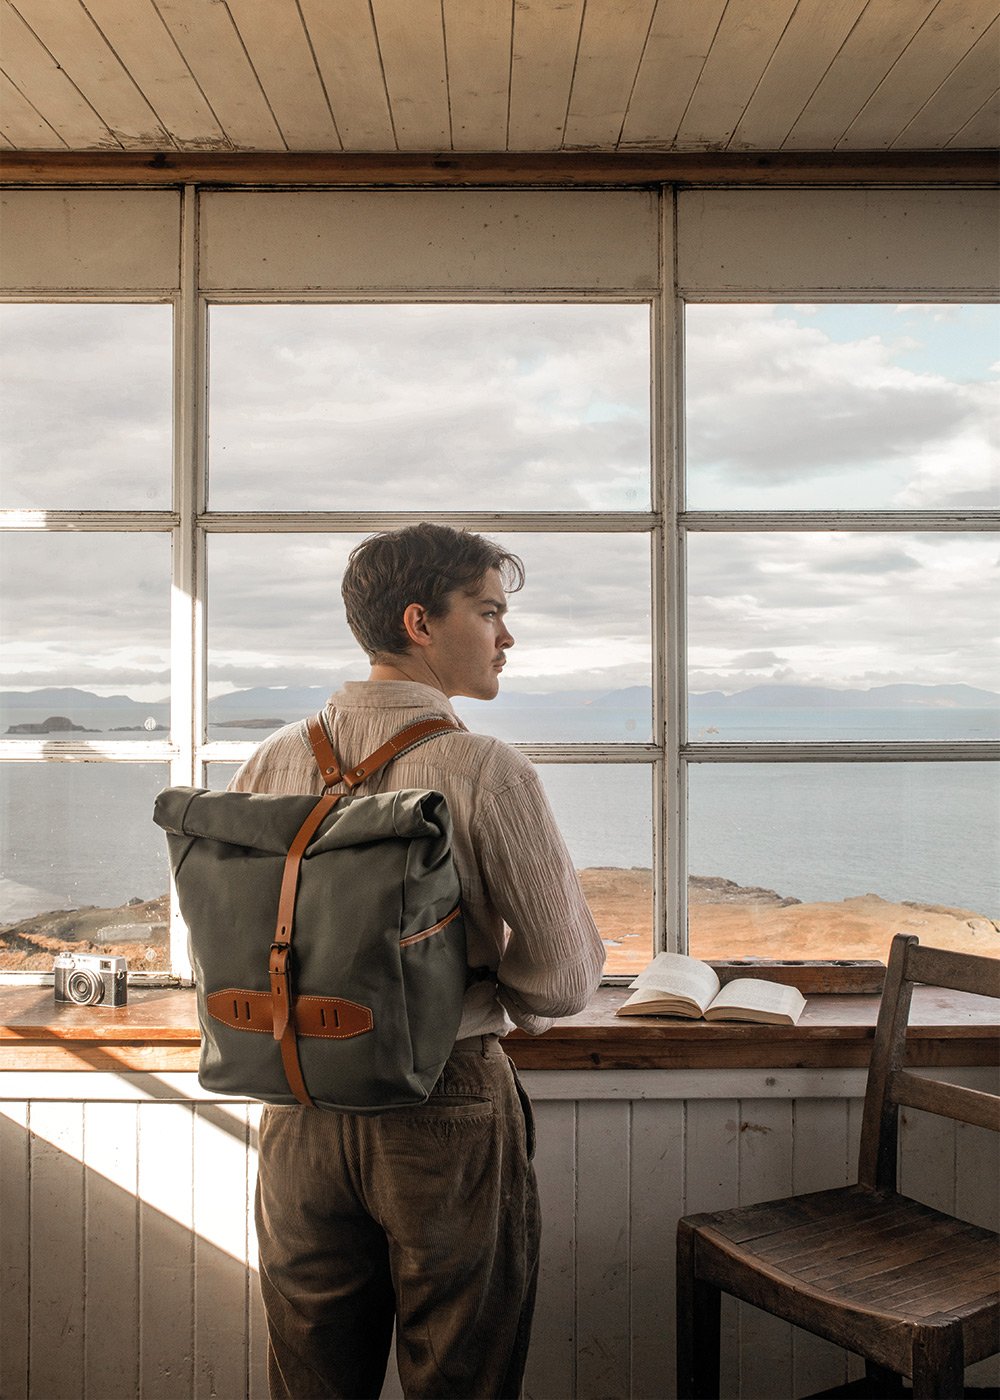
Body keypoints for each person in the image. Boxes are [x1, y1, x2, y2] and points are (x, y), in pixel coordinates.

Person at [230, 522, 606, 1400]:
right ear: (419, 622)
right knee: (461, 1377)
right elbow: (564, 976)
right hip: (446, 1100)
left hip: (298, 1103)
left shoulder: (275, 756)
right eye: (489, 611)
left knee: (313, 1378)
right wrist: (492, 994)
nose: (507, 637)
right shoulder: (482, 768)